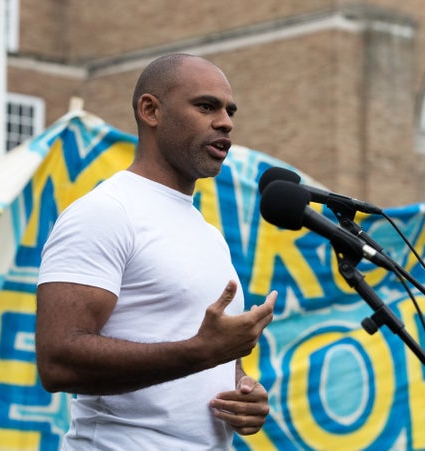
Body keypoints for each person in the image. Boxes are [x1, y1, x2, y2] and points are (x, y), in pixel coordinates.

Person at [36, 53, 278, 450]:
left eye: (229, 111)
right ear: (150, 110)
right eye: (206, 106)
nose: (226, 122)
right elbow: (57, 360)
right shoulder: (106, 212)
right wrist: (200, 352)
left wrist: (244, 391)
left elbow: (206, 356)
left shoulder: (209, 236)